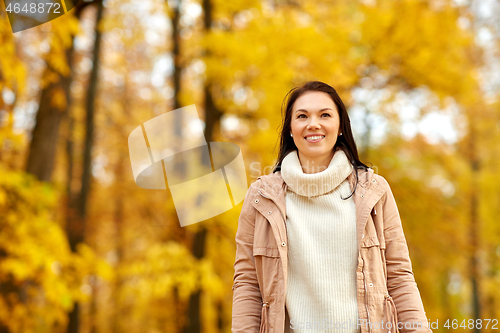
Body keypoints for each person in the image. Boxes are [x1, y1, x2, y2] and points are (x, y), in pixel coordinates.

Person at [231, 81, 431, 333]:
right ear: (290, 130)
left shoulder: (374, 190)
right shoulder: (261, 196)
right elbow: (247, 284)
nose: (313, 123)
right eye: (302, 116)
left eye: (325, 115)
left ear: (340, 128)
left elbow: (400, 277)